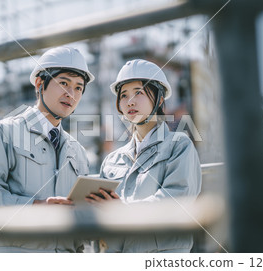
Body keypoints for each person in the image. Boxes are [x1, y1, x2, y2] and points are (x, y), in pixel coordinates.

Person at [0, 46, 95, 252]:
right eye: (63, 83)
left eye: (79, 88)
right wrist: (35, 207)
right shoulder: (5, 132)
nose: (71, 94)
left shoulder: (78, 151)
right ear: (40, 84)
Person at [86, 59, 202, 252]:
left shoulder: (179, 146)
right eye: (124, 95)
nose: (130, 101)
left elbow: (177, 202)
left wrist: (125, 210)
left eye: (138, 92)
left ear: (159, 99)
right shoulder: (112, 161)